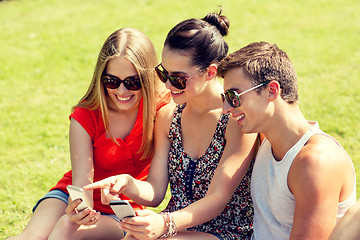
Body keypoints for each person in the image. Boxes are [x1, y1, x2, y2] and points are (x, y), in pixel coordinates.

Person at [86, 11, 258, 240]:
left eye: (177, 78)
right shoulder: (169, 116)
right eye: (163, 73)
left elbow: (217, 199)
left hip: (226, 229)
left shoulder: (236, 118)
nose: (167, 84)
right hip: (174, 225)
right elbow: (156, 191)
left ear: (210, 72)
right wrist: (127, 183)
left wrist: (165, 223)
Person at [8, 28, 170, 240]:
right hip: (72, 197)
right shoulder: (85, 115)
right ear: (101, 77)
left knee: (68, 233)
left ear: (148, 79)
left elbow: (155, 194)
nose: (122, 91)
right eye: (112, 81)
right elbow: (82, 186)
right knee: (32, 237)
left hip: (121, 210)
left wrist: (126, 187)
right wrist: (78, 211)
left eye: (132, 82)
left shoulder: (161, 109)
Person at [217, 41, 357, 240]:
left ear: (272, 91)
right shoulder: (264, 138)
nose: (226, 108)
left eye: (233, 96)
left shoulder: (316, 161)